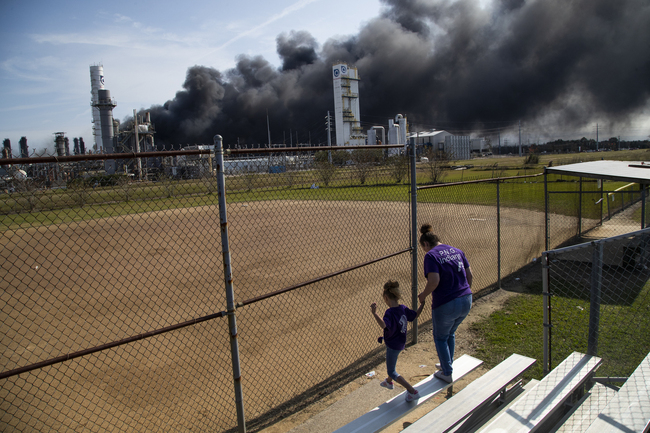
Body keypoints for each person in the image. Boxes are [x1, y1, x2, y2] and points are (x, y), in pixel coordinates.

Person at [417, 224, 473, 383]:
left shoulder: (431, 256)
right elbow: (470, 276)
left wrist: (423, 295)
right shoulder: (457, 250)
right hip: (466, 298)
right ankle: (446, 363)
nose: (425, 251)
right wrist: (464, 294)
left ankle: (447, 372)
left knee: (440, 337)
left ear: (426, 244)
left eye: (424, 248)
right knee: (450, 333)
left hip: (446, 303)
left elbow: (434, 281)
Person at [371, 280, 425, 402]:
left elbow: (384, 325)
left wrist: (375, 314)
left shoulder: (389, 312)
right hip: (401, 342)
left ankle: (412, 391)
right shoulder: (403, 308)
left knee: (392, 370)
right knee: (392, 364)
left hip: (392, 345)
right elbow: (415, 315)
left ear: (386, 298)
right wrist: (422, 304)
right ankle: (388, 382)